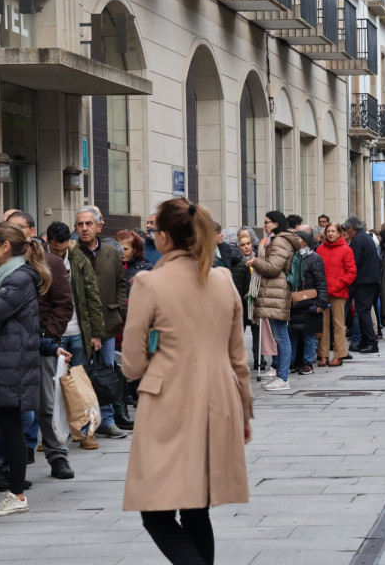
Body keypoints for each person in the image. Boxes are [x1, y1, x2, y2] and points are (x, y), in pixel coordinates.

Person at [121, 198, 252, 563]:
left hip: (169, 400)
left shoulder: (149, 282)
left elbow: (132, 361)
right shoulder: (222, 278)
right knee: (197, 507)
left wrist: (154, 362)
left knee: (156, 511)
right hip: (219, 398)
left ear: (163, 237)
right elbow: (238, 355)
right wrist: (244, 409)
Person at [0, 222, 53, 517]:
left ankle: (17, 495)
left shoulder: (18, 279)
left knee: (11, 427)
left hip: (6, 367)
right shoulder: (3, 276)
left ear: (5, 246)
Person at [5, 212, 75, 479]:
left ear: (31, 231)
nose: (9, 232)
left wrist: (49, 335)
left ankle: (57, 455)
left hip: (41, 342)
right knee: (5, 405)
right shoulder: (2, 262)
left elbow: (64, 304)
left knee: (45, 403)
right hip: (8, 345)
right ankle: (7, 459)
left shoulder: (51, 262)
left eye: (17, 227)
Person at [46, 222, 106, 446]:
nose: (60, 252)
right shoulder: (41, 259)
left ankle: (85, 433)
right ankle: (51, 434)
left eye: (63, 249)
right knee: (53, 385)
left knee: (80, 383)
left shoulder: (78, 257)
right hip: (54, 332)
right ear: (49, 243)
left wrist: (96, 333)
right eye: (56, 249)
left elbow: (93, 295)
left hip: (79, 330)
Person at [75, 207, 129, 438]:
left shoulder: (110, 252)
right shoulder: (72, 252)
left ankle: (107, 420)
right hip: (79, 327)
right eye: (80, 224)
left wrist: (119, 310)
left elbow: (121, 284)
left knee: (106, 372)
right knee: (79, 375)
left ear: (99, 226)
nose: (85, 228)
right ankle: (82, 423)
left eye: (89, 224)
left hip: (108, 321)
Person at [247, 211, 301, 390]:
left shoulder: (279, 241)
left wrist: (255, 261)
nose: (264, 225)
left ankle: (283, 377)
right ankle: (281, 375)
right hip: (274, 292)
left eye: (267, 222)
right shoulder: (280, 240)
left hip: (276, 292)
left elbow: (273, 268)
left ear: (276, 224)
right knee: (280, 337)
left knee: (281, 337)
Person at [288, 225, 328, 375]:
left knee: (309, 334)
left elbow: (321, 282)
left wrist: (321, 303)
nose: (295, 241)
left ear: (304, 241)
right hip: (294, 301)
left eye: (297, 238)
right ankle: (291, 361)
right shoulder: (292, 257)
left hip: (310, 301)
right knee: (292, 332)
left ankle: (308, 362)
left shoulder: (314, 258)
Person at [316, 222, 357, 366]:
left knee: (338, 324)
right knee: (323, 324)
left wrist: (339, 285)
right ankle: (323, 355)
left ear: (339, 233)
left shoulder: (346, 250)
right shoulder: (320, 249)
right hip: (322, 292)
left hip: (338, 292)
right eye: (328, 231)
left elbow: (352, 272)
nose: (331, 234)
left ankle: (339, 355)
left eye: (333, 231)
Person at [342, 217, 381, 354]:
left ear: (351, 229)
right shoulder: (365, 237)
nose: (346, 233)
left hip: (365, 281)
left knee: (363, 311)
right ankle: (365, 341)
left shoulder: (358, 240)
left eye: (347, 230)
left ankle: (371, 342)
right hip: (370, 280)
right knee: (363, 310)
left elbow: (354, 261)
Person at [230, 229, 261, 367]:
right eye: (243, 245)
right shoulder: (235, 261)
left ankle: (258, 359)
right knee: (239, 332)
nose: (247, 247)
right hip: (242, 301)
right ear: (238, 247)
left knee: (256, 331)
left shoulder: (258, 259)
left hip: (253, 301)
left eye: (248, 243)